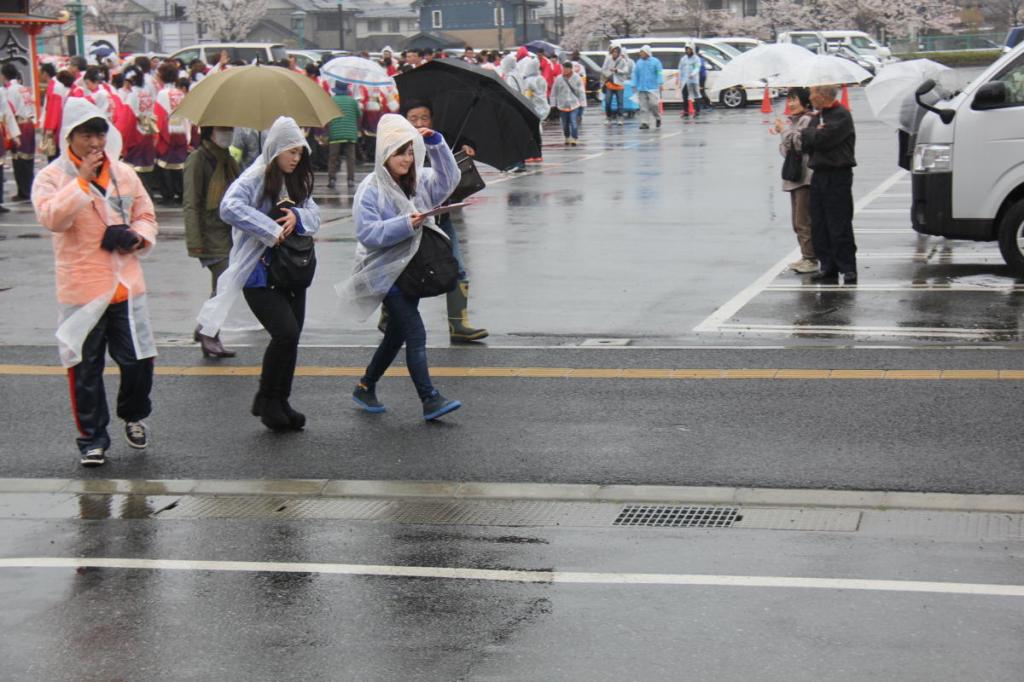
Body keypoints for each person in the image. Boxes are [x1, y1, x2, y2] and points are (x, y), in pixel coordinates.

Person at [32, 98, 158, 467]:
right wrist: (81, 183)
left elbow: (145, 213)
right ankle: (92, 439)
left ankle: (133, 413)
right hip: (82, 290)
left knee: (138, 361)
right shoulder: (51, 177)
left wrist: (138, 236)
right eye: (86, 135)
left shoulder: (123, 173)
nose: (94, 143)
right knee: (84, 369)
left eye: (99, 134)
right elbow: (52, 219)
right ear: (70, 137)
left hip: (126, 287)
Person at [197, 117, 320, 431]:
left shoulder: (298, 178)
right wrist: (269, 230)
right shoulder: (255, 175)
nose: (295, 157)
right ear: (276, 148)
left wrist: (297, 216)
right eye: (290, 151)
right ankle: (267, 399)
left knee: (290, 339)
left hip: (292, 269)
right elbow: (229, 207)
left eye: (299, 152)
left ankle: (279, 402)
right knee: (285, 333)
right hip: (258, 273)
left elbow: (314, 213)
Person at [340, 114, 462, 420]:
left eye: (410, 152)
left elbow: (448, 181)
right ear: (384, 152)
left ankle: (365, 385)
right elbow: (368, 234)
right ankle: (429, 398)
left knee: (396, 335)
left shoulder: (415, 182)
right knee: (415, 333)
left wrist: (436, 144)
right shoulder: (370, 189)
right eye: (399, 152)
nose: (406, 159)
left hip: (412, 269)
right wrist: (405, 224)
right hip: (384, 273)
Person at [401, 99, 488, 342]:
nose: (419, 123)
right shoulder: (396, 146)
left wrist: (466, 147)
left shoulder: (442, 141)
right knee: (402, 269)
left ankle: (459, 326)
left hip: (441, 219)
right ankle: (390, 317)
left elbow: (462, 154)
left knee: (457, 267)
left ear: (432, 120)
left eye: (424, 117)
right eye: (413, 118)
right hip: (409, 220)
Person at [184, 126, 240, 358]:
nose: (227, 133)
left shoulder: (228, 160)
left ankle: (205, 327)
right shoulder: (198, 159)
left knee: (227, 285)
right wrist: (195, 241)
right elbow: (191, 202)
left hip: (229, 232)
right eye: (222, 129)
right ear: (209, 131)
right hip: (210, 233)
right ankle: (209, 334)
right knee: (224, 286)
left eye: (230, 129)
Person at [801, 84, 858, 284]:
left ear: (822, 95)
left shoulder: (841, 115)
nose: (810, 96)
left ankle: (848, 267)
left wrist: (815, 134)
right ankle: (828, 265)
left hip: (838, 175)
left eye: (812, 93)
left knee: (839, 222)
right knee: (819, 222)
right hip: (819, 174)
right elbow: (807, 140)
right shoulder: (819, 116)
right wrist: (814, 132)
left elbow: (824, 140)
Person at [771, 87, 818, 274]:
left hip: (805, 178)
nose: (790, 103)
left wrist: (785, 131)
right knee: (797, 221)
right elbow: (785, 151)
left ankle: (811, 258)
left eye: (794, 99)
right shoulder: (795, 121)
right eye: (788, 100)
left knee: (802, 220)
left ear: (805, 101)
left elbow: (799, 145)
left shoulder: (807, 119)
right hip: (796, 178)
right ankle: (806, 255)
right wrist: (784, 133)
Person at [154, 63, 191, 204]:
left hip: (167, 131)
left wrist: (157, 135)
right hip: (180, 130)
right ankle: (181, 194)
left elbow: (159, 115)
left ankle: (167, 195)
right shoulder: (180, 93)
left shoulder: (162, 94)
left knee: (164, 166)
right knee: (178, 166)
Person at [3, 63, 37, 200]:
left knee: (19, 160)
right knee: (28, 159)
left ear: (4, 75)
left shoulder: (10, 90)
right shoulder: (23, 88)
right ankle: (28, 189)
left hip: (19, 125)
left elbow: (9, 110)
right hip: (29, 123)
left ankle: (23, 191)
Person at [327, 82, 360, 190]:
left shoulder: (332, 101)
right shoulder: (353, 101)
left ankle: (332, 179)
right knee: (350, 158)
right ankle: (350, 180)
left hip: (335, 133)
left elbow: (328, 116)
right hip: (350, 133)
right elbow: (359, 115)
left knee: (333, 157)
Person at [551, 61, 585, 145]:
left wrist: (583, 103)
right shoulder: (559, 78)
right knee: (565, 124)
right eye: (564, 68)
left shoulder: (577, 78)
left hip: (574, 104)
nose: (565, 70)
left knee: (573, 121)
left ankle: (574, 138)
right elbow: (554, 92)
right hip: (562, 105)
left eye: (566, 68)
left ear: (570, 69)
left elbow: (581, 91)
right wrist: (553, 104)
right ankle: (567, 137)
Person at [630, 46, 662, 130]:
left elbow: (659, 72)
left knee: (653, 104)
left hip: (652, 87)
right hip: (641, 87)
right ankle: (645, 123)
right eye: (640, 52)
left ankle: (657, 117)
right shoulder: (639, 63)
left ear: (647, 52)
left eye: (642, 52)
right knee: (643, 106)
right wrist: (634, 84)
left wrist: (660, 82)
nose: (641, 54)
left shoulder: (655, 61)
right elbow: (635, 74)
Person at [601, 46, 630, 125]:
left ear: (619, 53)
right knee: (607, 102)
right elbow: (603, 69)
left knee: (620, 102)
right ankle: (608, 117)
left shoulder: (622, 60)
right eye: (613, 52)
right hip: (609, 83)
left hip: (619, 84)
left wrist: (617, 70)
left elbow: (626, 70)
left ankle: (620, 117)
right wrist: (608, 75)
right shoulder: (608, 59)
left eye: (616, 52)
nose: (614, 53)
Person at [677, 46, 701, 117]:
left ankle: (697, 111)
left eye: (689, 49)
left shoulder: (696, 59)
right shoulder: (683, 59)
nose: (688, 51)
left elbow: (697, 68)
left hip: (693, 80)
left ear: (692, 50)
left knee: (696, 96)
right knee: (685, 96)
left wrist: (693, 74)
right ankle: (686, 111)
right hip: (685, 81)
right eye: (687, 49)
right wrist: (680, 80)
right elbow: (680, 69)